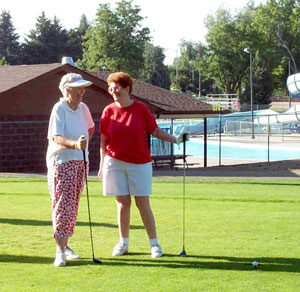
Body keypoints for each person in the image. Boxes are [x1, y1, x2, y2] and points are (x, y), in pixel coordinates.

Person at [98, 72, 188, 258]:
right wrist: (101, 163)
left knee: (142, 202)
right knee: (123, 204)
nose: (113, 91)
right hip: (114, 163)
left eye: (117, 87)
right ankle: (123, 244)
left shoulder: (141, 109)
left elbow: (154, 130)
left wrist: (176, 141)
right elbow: (104, 139)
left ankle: (154, 244)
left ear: (127, 89)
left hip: (139, 163)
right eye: (111, 88)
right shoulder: (108, 111)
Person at [46, 73, 95, 267]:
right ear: (67, 89)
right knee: (62, 204)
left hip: (80, 161)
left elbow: (90, 128)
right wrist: (75, 144)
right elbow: (56, 136)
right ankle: (59, 250)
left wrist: (84, 144)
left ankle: (65, 246)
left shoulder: (83, 108)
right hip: (62, 162)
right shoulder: (59, 108)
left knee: (72, 206)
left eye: (83, 88)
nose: (83, 91)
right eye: (79, 88)